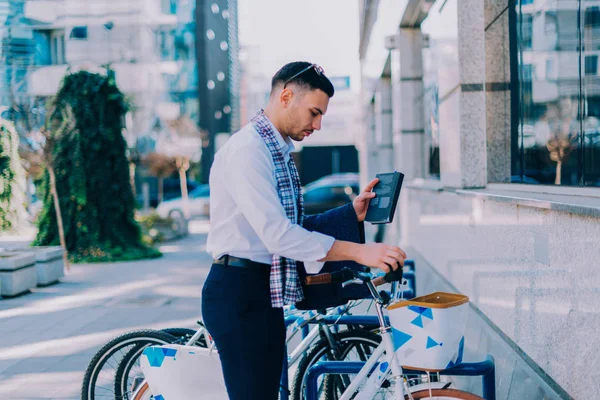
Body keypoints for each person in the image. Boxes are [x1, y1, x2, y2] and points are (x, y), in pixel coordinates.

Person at [202, 61, 406, 399]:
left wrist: (350, 213)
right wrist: (361, 252)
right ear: (285, 96)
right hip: (238, 293)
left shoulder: (273, 149)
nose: (319, 124)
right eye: (314, 112)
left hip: (259, 292)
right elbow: (279, 236)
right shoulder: (248, 151)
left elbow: (293, 228)